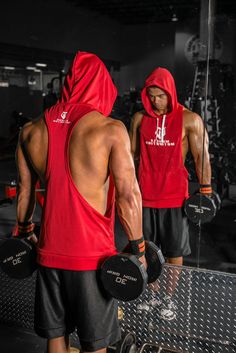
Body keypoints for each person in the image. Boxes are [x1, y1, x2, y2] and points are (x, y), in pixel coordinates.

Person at [16, 51, 146, 353]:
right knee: (94, 344)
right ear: (101, 85)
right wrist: (138, 247)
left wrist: (25, 232)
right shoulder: (110, 129)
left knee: (56, 337)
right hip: (91, 258)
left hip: (48, 252)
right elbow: (129, 196)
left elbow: (25, 193)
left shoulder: (31, 130)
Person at [130, 67, 212, 320]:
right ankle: (152, 295)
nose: (155, 101)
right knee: (147, 250)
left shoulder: (190, 119)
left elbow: (201, 157)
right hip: (144, 196)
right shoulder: (139, 119)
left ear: (170, 93)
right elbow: (130, 157)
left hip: (175, 198)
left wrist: (206, 190)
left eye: (160, 96)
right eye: (151, 96)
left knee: (174, 252)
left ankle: (169, 298)